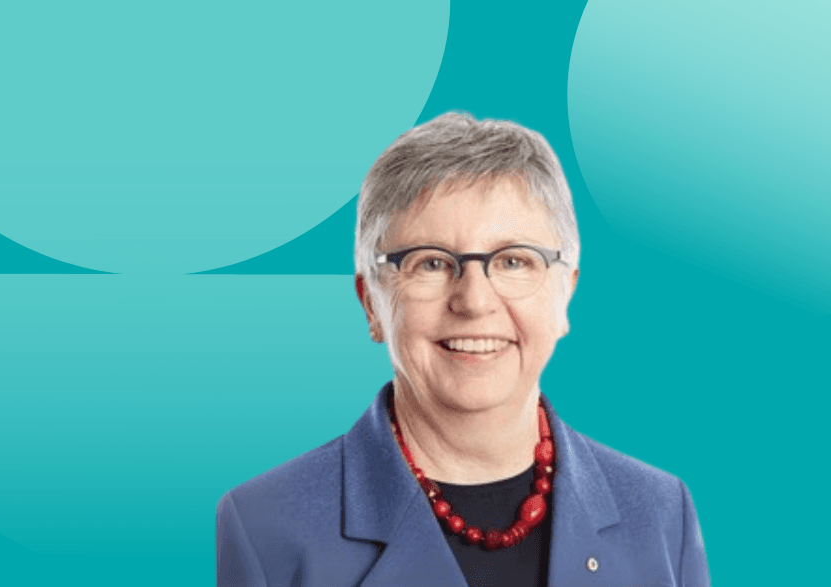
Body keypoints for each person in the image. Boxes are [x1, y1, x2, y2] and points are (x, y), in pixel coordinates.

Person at [216, 112, 710, 587]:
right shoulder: (265, 529)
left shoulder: (663, 515)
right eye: (430, 263)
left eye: (514, 261)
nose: (474, 301)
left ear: (565, 294)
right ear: (371, 304)